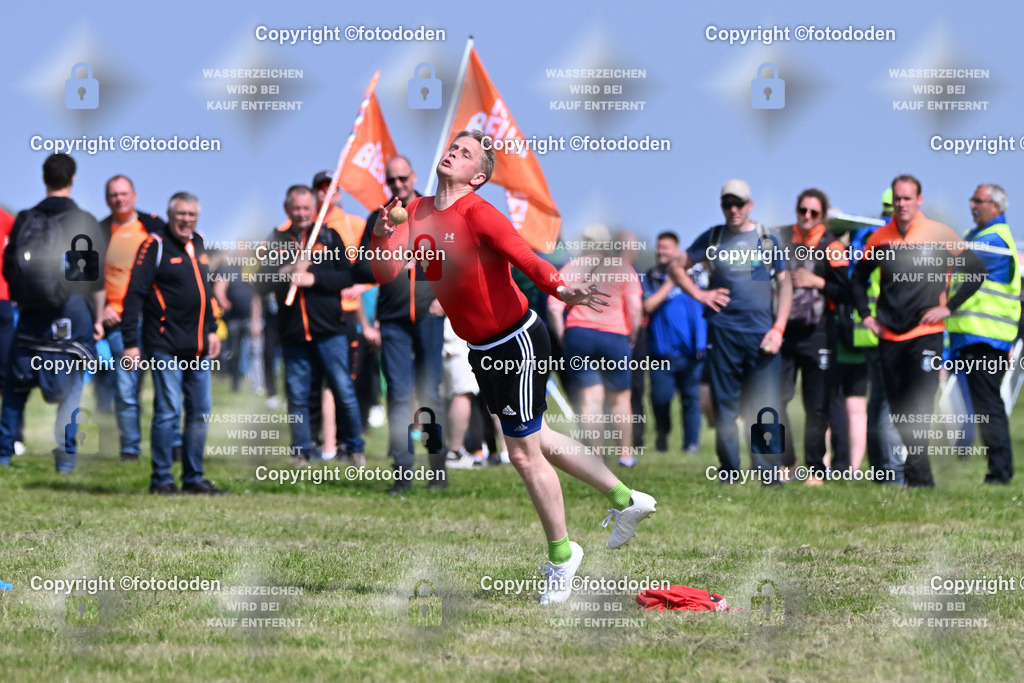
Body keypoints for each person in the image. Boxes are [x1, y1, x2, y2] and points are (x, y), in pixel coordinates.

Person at [370, 130, 657, 604]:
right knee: (538, 439)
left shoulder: (479, 212)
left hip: (518, 341)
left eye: (465, 153)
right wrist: (382, 232)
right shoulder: (416, 210)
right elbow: (384, 273)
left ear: (477, 176)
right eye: (453, 147)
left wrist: (561, 289)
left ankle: (563, 556)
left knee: (523, 454)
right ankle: (627, 500)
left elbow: (525, 255)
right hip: (482, 348)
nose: (453, 153)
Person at [852, 175, 986, 488]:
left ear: (919, 200)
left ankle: (918, 480)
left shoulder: (939, 233)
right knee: (899, 411)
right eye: (897, 199)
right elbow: (858, 278)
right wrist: (866, 316)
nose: (902, 204)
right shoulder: (880, 238)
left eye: (907, 198)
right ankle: (918, 477)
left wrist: (949, 307)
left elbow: (976, 270)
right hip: (889, 336)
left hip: (927, 334)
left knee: (920, 407)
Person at [668, 180, 793, 482]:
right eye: (728, 204)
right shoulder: (713, 237)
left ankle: (769, 472)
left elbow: (786, 283)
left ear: (750, 205)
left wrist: (779, 327)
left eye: (739, 204)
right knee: (724, 405)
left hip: (763, 333)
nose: (733, 210)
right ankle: (729, 471)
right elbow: (676, 266)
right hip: (723, 332)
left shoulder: (768, 238)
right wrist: (701, 295)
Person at [0, 153, 105, 472]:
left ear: (44, 179)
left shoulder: (25, 218)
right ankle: (66, 459)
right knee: (70, 392)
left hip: (31, 317)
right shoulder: (83, 220)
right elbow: (92, 279)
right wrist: (98, 318)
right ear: (72, 178)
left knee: (16, 388)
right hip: (70, 318)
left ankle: (3, 453)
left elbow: (8, 266)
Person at [352, 156, 446, 493]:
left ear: (414, 176)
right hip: (392, 319)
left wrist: (442, 298)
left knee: (430, 393)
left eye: (402, 178)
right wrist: (386, 257)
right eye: (391, 180)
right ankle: (403, 469)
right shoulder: (377, 218)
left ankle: (437, 467)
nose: (397, 185)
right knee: (398, 394)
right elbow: (360, 269)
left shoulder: (431, 213)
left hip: (428, 316)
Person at [122, 192, 225, 494]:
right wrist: (130, 343)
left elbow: (205, 292)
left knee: (200, 411)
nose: (187, 220)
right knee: (168, 411)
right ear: (170, 215)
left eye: (192, 215)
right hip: (164, 345)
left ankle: (194, 478)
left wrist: (211, 330)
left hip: (198, 347)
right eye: (181, 214)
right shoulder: (154, 246)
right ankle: (162, 479)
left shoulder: (200, 243)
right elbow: (134, 295)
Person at [257, 185, 364, 468]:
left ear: (313, 208)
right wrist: (288, 271)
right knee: (298, 395)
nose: (302, 213)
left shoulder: (329, 236)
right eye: (297, 208)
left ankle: (354, 448)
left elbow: (345, 277)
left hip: (330, 330)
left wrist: (313, 278)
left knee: (343, 390)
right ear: (287, 209)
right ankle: (302, 451)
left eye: (307, 208)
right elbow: (260, 283)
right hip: (293, 333)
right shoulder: (277, 240)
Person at [548, 225, 643, 467]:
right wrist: (631, 336)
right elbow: (634, 308)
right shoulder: (622, 267)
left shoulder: (572, 267)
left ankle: (597, 457)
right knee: (620, 399)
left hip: (579, 335)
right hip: (615, 336)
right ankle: (625, 456)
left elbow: (553, 307)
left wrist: (564, 338)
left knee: (591, 400)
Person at [779, 189, 852, 484]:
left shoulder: (831, 246)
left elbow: (848, 291)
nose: (807, 217)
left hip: (820, 332)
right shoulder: (783, 240)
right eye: (802, 211)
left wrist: (817, 281)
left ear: (822, 216)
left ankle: (815, 469)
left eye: (814, 213)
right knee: (778, 398)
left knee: (816, 404)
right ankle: (786, 463)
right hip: (784, 332)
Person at [947, 184, 1019, 484]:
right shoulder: (974, 235)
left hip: (987, 338)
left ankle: (1000, 473)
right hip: (972, 337)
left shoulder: (994, 239)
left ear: (996, 207)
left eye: (979, 200)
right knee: (984, 406)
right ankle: (997, 470)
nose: (972, 205)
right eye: (971, 199)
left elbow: (958, 263)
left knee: (989, 406)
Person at [98, 175, 167, 462]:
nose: (119, 199)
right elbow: (79, 276)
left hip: (154, 322)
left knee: (166, 387)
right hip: (117, 324)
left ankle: (169, 446)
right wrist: (100, 310)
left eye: (124, 193)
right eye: (113, 195)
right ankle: (130, 449)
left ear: (135, 196)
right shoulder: (98, 231)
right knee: (126, 390)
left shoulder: (155, 227)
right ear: (107, 199)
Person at [846, 188, 903, 481]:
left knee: (877, 398)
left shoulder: (862, 234)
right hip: (886, 328)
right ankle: (892, 471)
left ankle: (880, 467)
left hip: (865, 330)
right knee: (890, 401)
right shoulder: (889, 237)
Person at [643, 231, 706, 454]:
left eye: (666, 248)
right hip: (662, 354)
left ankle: (691, 444)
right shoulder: (650, 277)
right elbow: (648, 306)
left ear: (677, 251)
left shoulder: (697, 277)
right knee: (660, 399)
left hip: (692, 353)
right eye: (659, 247)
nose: (661, 252)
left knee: (691, 401)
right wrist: (671, 281)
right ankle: (662, 433)